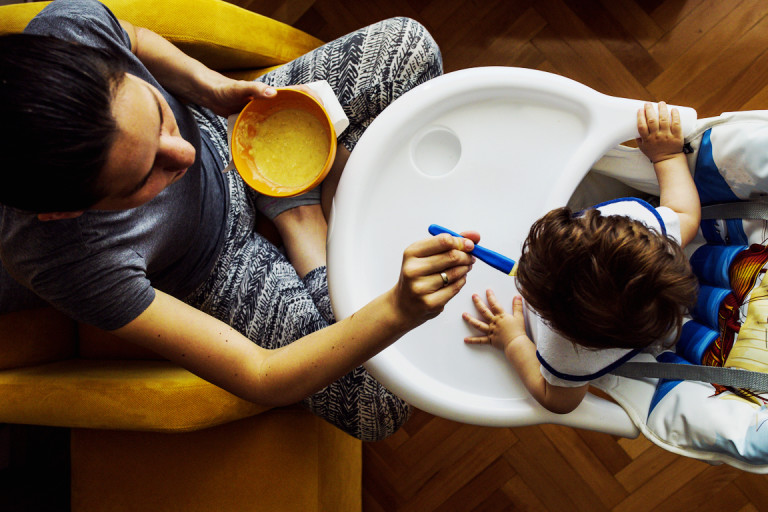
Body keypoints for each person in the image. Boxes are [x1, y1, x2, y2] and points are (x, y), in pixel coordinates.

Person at [0, 0, 478, 441]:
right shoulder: (63, 261)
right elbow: (260, 374)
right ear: (67, 211)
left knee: (409, 48)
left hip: (231, 125)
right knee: (379, 407)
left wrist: (210, 87)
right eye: (146, 174)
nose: (183, 155)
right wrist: (396, 310)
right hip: (216, 260)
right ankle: (302, 222)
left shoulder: (68, 29)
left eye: (158, 114)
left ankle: (301, 199)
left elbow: (136, 37)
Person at [462, 102, 701, 414]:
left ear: (553, 321)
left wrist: (513, 340)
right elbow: (686, 213)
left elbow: (557, 400)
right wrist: (668, 156)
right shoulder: (645, 235)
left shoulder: (567, 355)